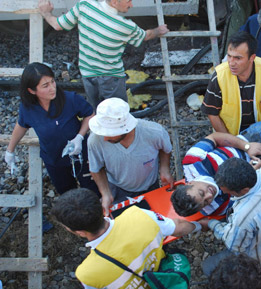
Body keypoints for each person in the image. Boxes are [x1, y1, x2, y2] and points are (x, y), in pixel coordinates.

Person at [51, 188, 199, 289]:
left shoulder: (86, 273)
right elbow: (178, 227)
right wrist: (201, 225)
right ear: (103, 209)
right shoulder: (140, 215)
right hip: (164, 283)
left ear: (80, 232)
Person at [38, 0, 169, 108]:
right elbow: (146, 36)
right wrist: (159, 30)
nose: (131, 5)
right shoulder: (126, 26)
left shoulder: (84, 6)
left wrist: (46, 12)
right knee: (118, 113)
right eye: (128, 1)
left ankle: (100, 136)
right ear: (114, 2)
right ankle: (117, 137)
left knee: (96, 111)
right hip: (112, 77)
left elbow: (57, 25)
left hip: (87, 74)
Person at [4, 62, 98, 195]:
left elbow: (90, 114)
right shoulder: (28, 108)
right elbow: (21, 125)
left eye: (52, 82)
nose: (52, 88)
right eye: (45, 86)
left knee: (92, 189)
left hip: (81, 153)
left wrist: (80, 137)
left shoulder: (70, 99)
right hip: (54, 159)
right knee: (66, 192)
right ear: (32, 90)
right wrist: (10, 150)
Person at [88, 97, 173, 216]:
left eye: (110, 134)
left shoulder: (154, 132)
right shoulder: (95, 140)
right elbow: (96, 168)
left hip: (150, 185)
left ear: (125, 129)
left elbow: (166, 149)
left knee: (154, 218)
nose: (105, 138)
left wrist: (164, 169)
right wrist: (106, 193)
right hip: (117, 188)